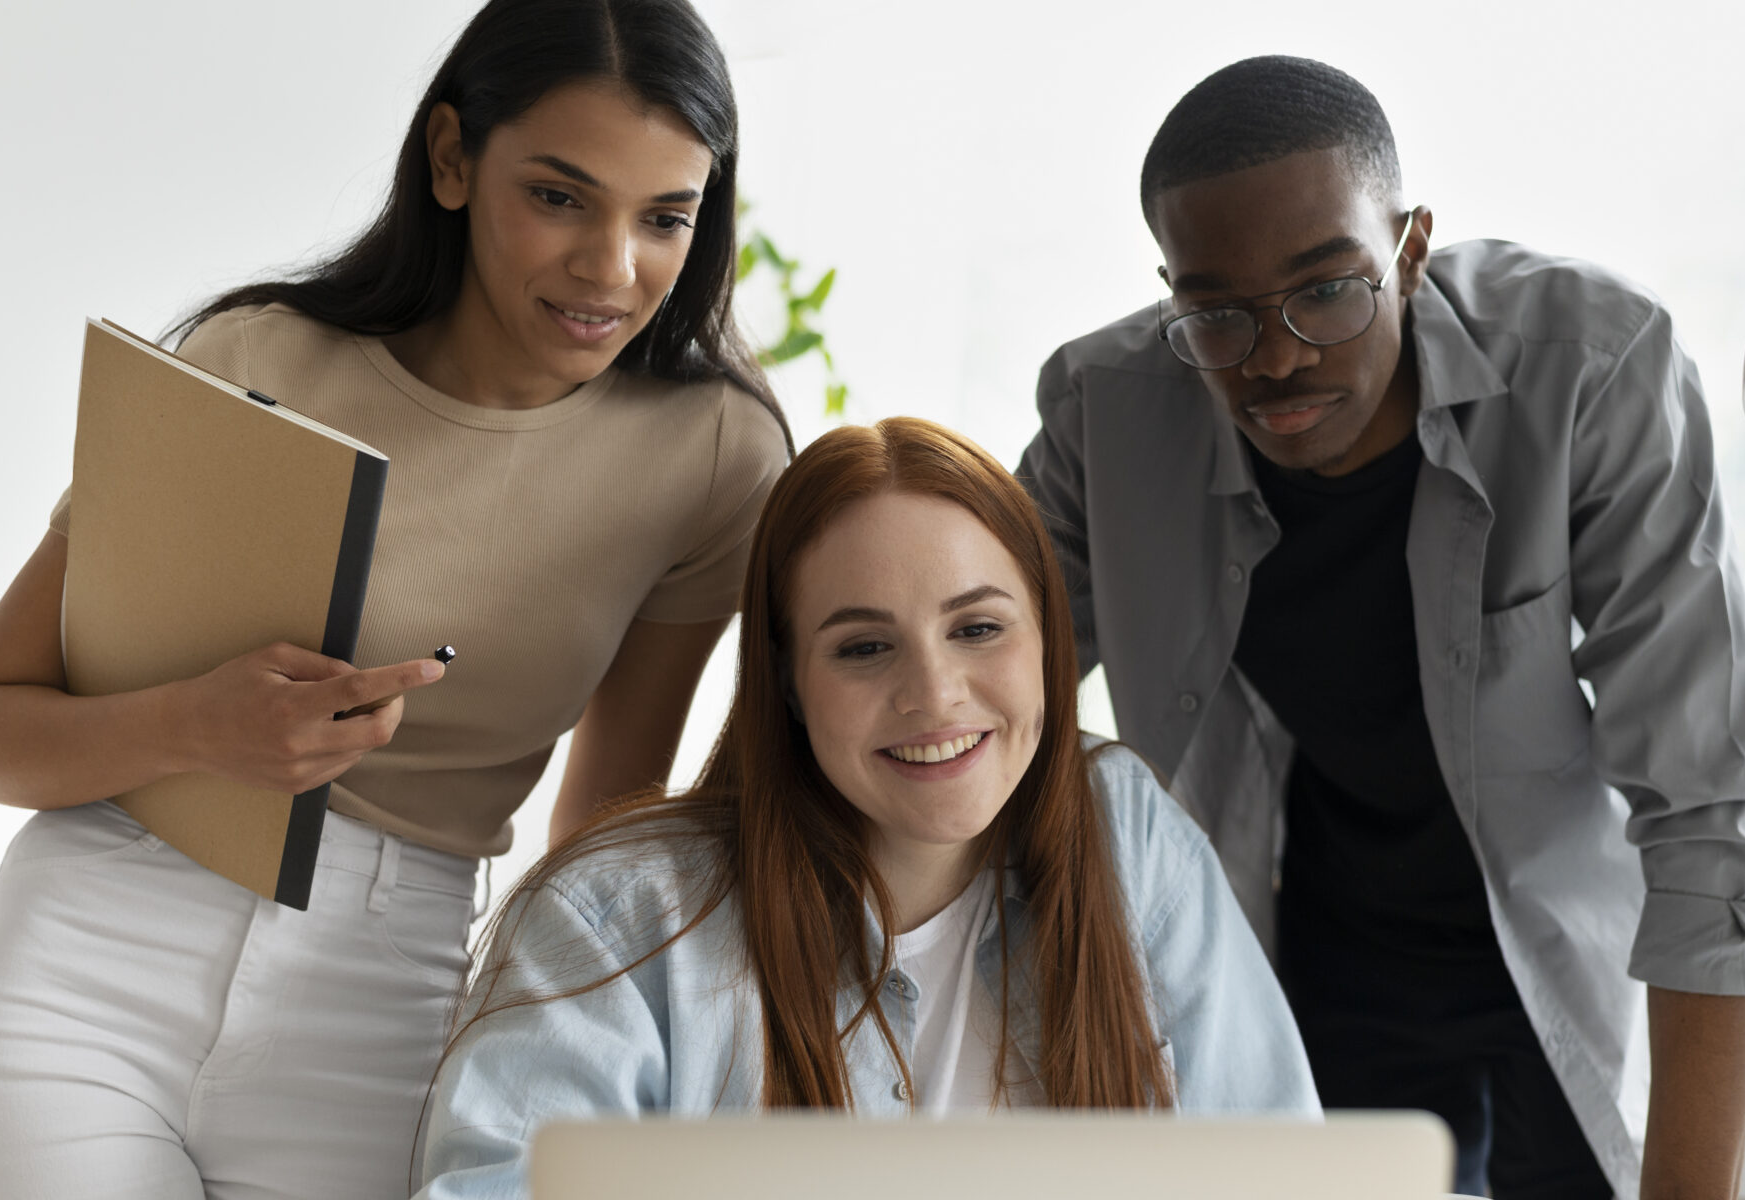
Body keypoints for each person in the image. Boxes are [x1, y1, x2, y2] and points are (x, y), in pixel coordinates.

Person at [0, 1, 789, 1196]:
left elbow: (600, 830)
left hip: (387, 1007)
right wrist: (195, 726)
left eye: (665, 217)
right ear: (450, 159)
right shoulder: (257, 363)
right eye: (557, 197)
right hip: (92, 958)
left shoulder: (714, 457)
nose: (610, 267)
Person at [1017, 56, 1745, 1200]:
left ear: (1411, 247)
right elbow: (976, 688)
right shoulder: (1104, 411)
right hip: (1306, 959)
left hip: (1558, 950)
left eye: (1327, 290)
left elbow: (1709, 813)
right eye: (1215, 313)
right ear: (1169, 289)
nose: (1276, 355)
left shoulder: (1590, 368)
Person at [414, 417, 1318, 1198]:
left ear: (1048, 638)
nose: (934, 695)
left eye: (977, 629)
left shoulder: (1127, 830)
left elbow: (1275, 1167)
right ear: (790, 683)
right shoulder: (615, 920)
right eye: (863, 647)